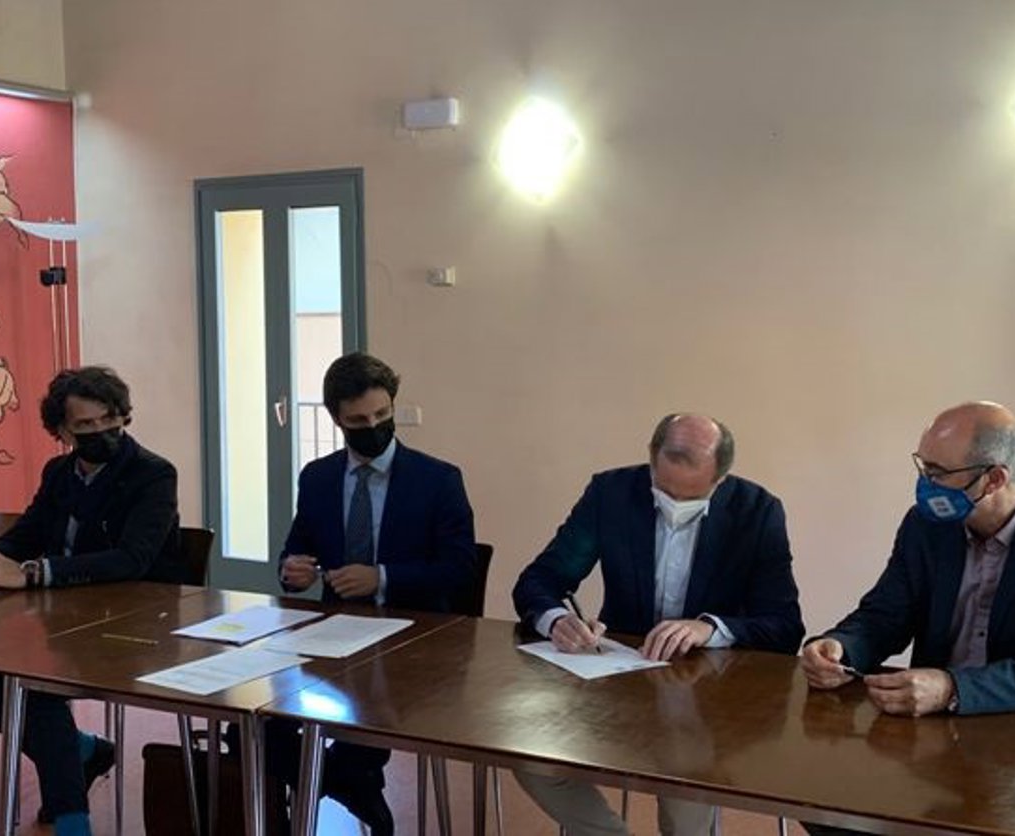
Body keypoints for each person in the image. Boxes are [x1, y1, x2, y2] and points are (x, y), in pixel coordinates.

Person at [799, 401, 1015, 835]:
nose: (924, 484)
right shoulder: (927, 524)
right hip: (930, 740)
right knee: (823, 804)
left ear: (994, 479)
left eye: (937, 472)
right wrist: (842, 645)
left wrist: (954, 688)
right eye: (922, 467)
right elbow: (887, 612)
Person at [512, 413, 804, 836]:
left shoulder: (757, 511)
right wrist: (557, 620)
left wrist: (709, 628)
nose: (675, 505)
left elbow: (784, 625)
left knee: (687, 791)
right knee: (533, 758)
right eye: (664, 491)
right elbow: (540, 580)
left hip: (705, 699)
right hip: (616, 687)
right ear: (652, 459)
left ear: (720, 480)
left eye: (692, 497)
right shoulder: (611, 494)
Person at [0, 366, 184, 836]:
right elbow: (29, 531)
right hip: (64, 620)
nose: (102, 432)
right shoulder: (59, 473)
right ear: (62, 431)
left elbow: (132, 559)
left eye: (110, 420)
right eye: (86, 425)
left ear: (123, 415)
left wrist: (33, 572)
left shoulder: (153, 473)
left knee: (35, 689)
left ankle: (72, 820)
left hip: (136, 624)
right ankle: (82, 750)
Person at [272, 351, 477, 835]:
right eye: (359, 421)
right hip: (331, 635)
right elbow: (296, 549)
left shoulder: (437, 480)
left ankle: (346, 777)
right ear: (337, 420)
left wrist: (382, 577)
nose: (374, 427)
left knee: (373, 705)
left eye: (382, 415)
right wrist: (293, 571)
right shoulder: (318, 477)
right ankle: (330, 787)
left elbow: (460, 568)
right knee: (262, 716)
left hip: (414, 636)